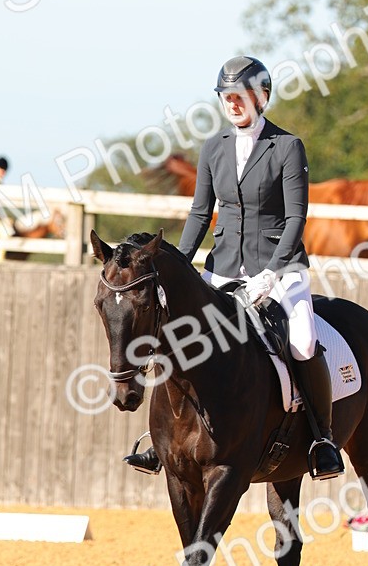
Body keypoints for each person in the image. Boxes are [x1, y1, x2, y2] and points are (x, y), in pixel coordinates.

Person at [124, 54, 344, 480]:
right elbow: (200, 213)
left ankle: (322, 439)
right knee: (181, 336)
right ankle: (163, 438)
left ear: (262, 96)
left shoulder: (286, 146)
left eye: (240, 95)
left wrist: (273, 271)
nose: (233, 103)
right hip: (222, 269)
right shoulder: (214, 148)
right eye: (226, 96)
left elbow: (297, 218)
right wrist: (180, 265)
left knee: (300, 342)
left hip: (278, 270)